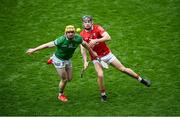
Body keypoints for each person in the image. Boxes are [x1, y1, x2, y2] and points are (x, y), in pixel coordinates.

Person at [80, 16, 151, 102]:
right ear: (83, 23)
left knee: (123, 69)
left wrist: (96, 40)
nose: (87, 23)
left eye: (88, 21)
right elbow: (83, 49)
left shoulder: (97, 28)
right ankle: (103, 95)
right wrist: (85, 61)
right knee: (100, 75)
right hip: (96, 58)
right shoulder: (82, 35)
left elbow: (108, 37)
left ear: (92, 22)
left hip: (107, 54)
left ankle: (141, 80)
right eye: (85, 22)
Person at [26, 25, 97, 102]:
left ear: (74, 33)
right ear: (65, 33)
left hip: (68, 59)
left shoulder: (78, 38)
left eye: (72, 32)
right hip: (59, 60)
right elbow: (47, 45)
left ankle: (52, 58)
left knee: (70, 78)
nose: (70, 34)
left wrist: (92, 53)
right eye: (68, 32)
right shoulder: (61, 40)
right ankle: (60, 95)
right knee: (65, 79)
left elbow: (85, 45)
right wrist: (34, 50)